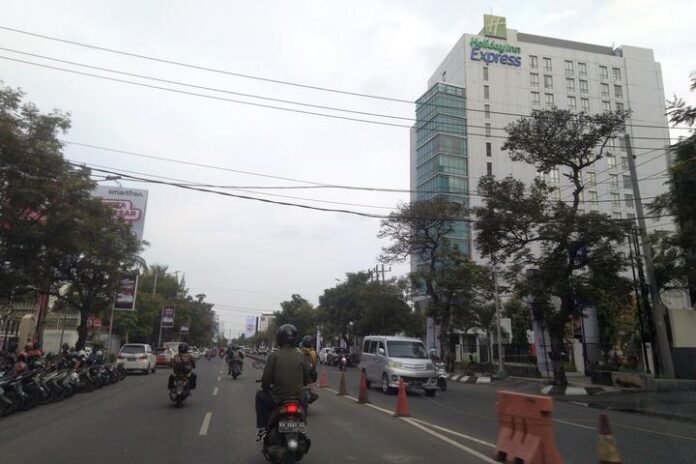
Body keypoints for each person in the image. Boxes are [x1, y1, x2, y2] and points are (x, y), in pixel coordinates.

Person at [255, 324, 309, 442]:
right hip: (297, 398)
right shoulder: (301, 356)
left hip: (278, 399)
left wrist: (266, 387)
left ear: (279, 338)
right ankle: (303, 425)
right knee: (305, 397)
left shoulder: (274, 356)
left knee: (260, 396)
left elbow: (266, 381)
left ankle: (263, 428)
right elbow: (306, 380)